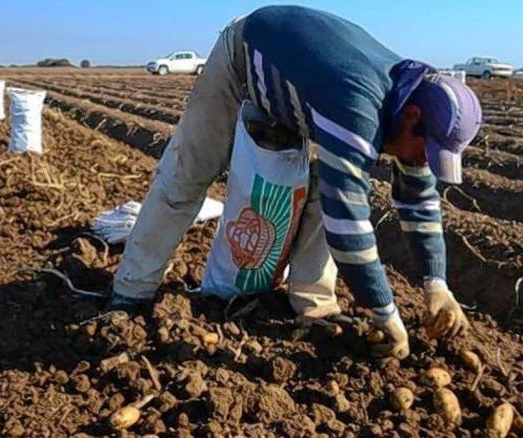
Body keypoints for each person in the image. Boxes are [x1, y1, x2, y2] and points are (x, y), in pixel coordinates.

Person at [109, 5, 482, 358]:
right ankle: (131, 292)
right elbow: (347, 221)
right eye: (424, 150)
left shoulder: (411, 106)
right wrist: (385, 312)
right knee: (187, 175)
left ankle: (314, 304)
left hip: (300, 81)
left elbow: (418, 198)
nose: (421, 161)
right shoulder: (357, 103)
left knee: (326, 186)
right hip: (245, 55)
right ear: (411, 115)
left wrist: (437, 284)